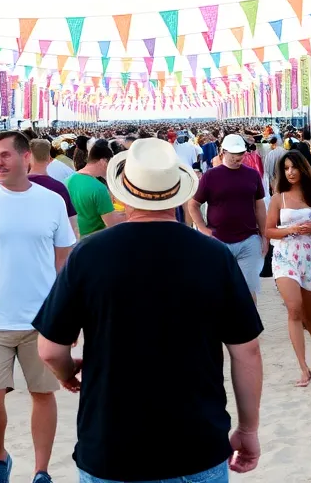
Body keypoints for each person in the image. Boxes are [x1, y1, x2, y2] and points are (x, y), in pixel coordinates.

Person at [35, 138, 264, 482]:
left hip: (111, 446)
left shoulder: (89, 254)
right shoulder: (214, 255)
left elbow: (50, 350)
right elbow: (247, 351)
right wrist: (248, 429)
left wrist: (67, 373)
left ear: (124, 194)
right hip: (196, 443)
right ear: (176, 194)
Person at [0, 131, 76, 483]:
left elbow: (63, 259)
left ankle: (41, 470)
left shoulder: (51, 201)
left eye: (5, 155)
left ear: (25, 157)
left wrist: (65, 312)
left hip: (41, 318)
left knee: (43, 394)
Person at [265, 151, 311, 387]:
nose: (290, 172)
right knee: (294, 309)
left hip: (310, 257)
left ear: (303, 168)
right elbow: (269, 230)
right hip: (285, 256)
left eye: (294, 167)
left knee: (309, 314)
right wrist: (290, 229)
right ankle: (303, 367)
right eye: (286, 168)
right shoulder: (278, 198)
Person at [185, 133, 268, 298]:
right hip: (219, 240)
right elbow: (193, 205)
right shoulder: (210, 176)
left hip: (249, 239)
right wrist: (203, 229)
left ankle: (248, 316)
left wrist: (265, 236)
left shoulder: (252, 175)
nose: (238, 158)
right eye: (234, 154)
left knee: (248, 291)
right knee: (220, 291)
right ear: (223, 152)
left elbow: (260, 206)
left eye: (241, 154)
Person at [69, 140, 123, 237]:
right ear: (103, 162)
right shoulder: (99, 188)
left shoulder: (67, 181)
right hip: (95, 240)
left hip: (75, 238)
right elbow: (112, 223)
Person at [28, 139, 77, 233]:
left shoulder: (18, 185)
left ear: (28, 157)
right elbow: (72, 225)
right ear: (49, 157)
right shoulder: (58, 187)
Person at [262, 134, 287, 198]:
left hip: (273, 181)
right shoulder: (286, 152)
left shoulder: (270, 154)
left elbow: (267, 171)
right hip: (284, 181)